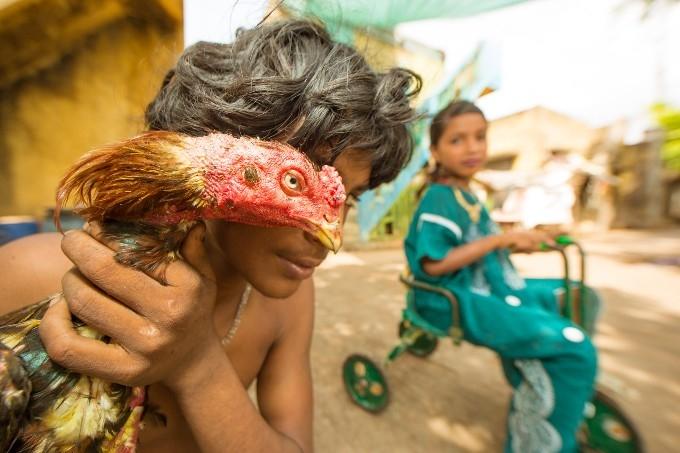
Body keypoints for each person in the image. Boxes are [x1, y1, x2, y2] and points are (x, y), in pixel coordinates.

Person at [0, 19, 420, 452]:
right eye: (297, 182)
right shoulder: (29, 273)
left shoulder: (290, 303)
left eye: (348, 199)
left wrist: (197, 361)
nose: (332, 236)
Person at [404, 100, 597, 453]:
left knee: (575, 295)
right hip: (455, 296)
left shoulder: (470, 196)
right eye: (457, 140)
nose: (473, 147)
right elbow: (434, 264)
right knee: (574, 347)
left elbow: (483, 246)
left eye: (480, 136)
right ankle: (539, 436)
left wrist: (527, 241)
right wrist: (501, 239)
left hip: (491, 284)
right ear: (435, 151)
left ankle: (548, 385)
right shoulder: (439, 199)